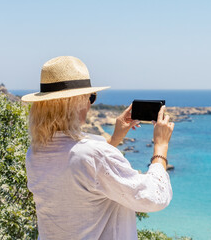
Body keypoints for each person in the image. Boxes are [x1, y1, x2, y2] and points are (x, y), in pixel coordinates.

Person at [21, 56, 174, 240]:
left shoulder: (35, 152)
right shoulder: (94, 155)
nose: (90, 104)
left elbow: (80, 168)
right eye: (91, 97)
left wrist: (115, 138)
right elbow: (155, 198)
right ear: (77, 102)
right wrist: (161, 147)